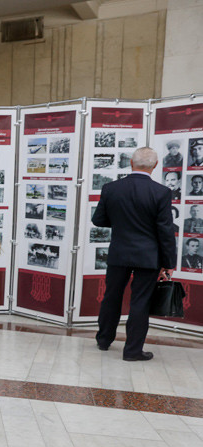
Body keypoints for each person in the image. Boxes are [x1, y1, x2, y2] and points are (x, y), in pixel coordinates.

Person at [93, 147, 176, 361]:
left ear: (131, 163)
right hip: (148, 257)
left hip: (119, 253)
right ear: (155, 166)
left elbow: (98, 220)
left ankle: (104, 340)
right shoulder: (161, 192)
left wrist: (121, 223)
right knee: (140, 302)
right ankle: (132, 351)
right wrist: (169, 262)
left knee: (111, 297)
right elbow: (165, 231)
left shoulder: (111, 188)